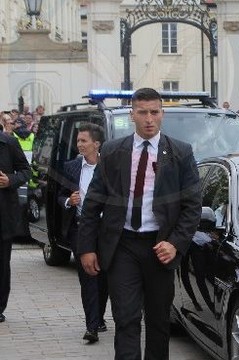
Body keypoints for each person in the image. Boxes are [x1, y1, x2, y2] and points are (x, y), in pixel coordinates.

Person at [77, 88, 201, 359]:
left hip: (160, 246)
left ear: (162, 114)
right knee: (126, 318)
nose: (149, 119)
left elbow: (192, 208)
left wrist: (176, 244)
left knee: (158, 321)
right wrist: (86, 247)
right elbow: (93, 203)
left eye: (154, 112)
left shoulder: (180, 153)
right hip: (122, 246)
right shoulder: (112, 152)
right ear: (132, 114)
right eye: (142, 112)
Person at [58, 123, 109, 343]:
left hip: (106, 231)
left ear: (96, 144)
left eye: (83, 141)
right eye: (78, 141)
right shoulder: (71, 168)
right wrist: (69, 200)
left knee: (103, 278)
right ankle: (91, 326)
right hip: (81, 229)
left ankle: (98, 317)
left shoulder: (109, 167)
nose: (79, 145)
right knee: (88, 277)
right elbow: (58, 196)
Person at [0, 131, 31, 323]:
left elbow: (26, 171)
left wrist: (9, 180)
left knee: (2, 265)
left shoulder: (9, 143)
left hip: (3, 216)